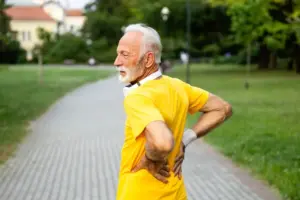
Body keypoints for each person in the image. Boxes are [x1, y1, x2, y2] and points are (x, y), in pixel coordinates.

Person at [114, 23, 232, 200]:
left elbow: (163, 143)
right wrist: (185, 139)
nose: (117, 62)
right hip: (176, 193)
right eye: (118, 54)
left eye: (124, 54)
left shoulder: (138, 97)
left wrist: (149, 160)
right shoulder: (177, 86)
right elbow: (222, 108)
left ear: (148, 60)